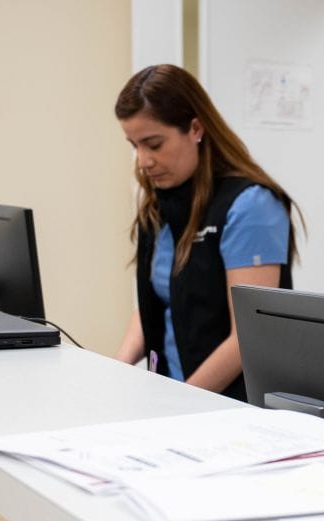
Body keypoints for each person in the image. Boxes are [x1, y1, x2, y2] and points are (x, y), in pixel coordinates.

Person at [113, 64, 301, 400]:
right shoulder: (158, 205)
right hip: (175, 395)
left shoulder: (250, 206)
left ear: (196, 128)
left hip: (231, 405)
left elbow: (248, 335)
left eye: (153, 144)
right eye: (135, 145)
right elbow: (155, 305)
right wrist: (116, 371)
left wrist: (183, 401)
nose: (143, 160)